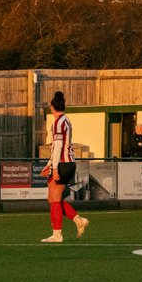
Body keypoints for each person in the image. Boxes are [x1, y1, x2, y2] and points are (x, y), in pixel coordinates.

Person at [40, 91, 90, 244]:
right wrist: (49, 164)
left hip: (63, 164)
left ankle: (57, 234)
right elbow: (57, 146)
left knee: (54, 199)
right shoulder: (65, 120)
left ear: (53, 106)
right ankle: (78, 220)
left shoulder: (59, 122)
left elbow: (59, 146)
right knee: (53, 198)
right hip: (65, 163)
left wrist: (54, 168)